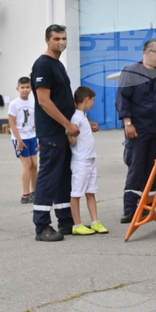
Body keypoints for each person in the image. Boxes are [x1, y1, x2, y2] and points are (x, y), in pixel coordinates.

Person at [32, 24, 94, 242]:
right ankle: (41, 226)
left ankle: (66, 222)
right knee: (49, 177)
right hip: (52, 132)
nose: (61, 42)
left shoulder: (58, 65)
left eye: (64, 38)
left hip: (64, 133)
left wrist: (84, 121)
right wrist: (68, 125)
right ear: (47, 40)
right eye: (57, 38)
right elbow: (44, 101)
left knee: (63, 177)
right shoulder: (43, 65)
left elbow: (64, 101)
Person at [117, 39, 156, 224]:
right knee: (137, 166)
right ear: (147, 53)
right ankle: (130, 208)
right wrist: (128, 122)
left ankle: (148, 204)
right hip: (139, 128)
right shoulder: (131, 71)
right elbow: (122, 98)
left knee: (154, 167)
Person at [68, 86, 107, 236]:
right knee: (77, 192)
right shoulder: (76, 118)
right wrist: (69, 134)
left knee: (91, 191)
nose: (94, 103)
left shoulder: (83, 116)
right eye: (93, 100)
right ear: (87, 99)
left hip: (90, 159)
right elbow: (72, 139)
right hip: (81, 160)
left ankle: (95, 221)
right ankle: (77, 224)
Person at [8, 76, 39, 204]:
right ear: (18, 88)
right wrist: (19, 140)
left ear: (31, 88)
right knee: (26, 165)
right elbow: (12, 124)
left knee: (34, 164)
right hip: (20, 138)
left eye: (27, 87)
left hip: (32, 136)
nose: (25, 90)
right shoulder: (14, 104)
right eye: (22, 88)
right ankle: (25, 194)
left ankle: (35, 191)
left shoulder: (33, 103)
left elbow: (37, 122)